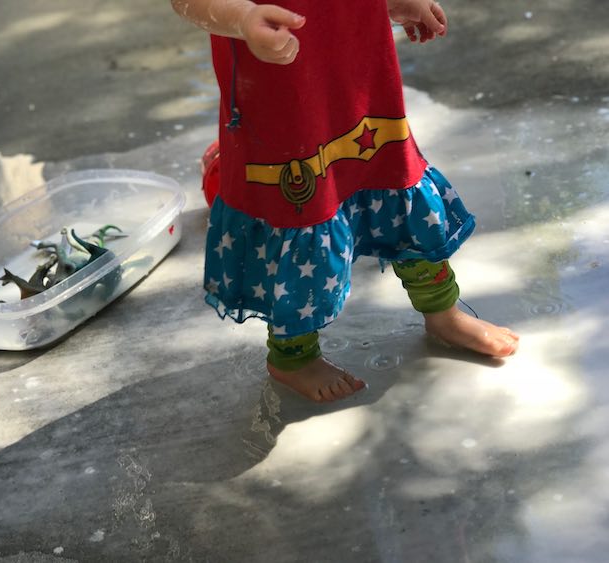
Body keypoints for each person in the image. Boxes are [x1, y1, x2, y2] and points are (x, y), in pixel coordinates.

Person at [170, 0, 519, 403]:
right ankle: (293, 356)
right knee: (301, 211)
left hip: (359, 78)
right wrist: (242, 19)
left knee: (395, 177)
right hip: (280, 91)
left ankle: (443, 313)